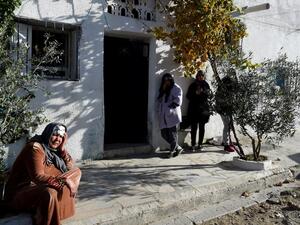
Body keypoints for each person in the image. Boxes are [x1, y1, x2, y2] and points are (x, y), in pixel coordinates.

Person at [4, 122, 81, 225]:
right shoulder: (35, 148)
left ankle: (57, 200)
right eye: (55, 134)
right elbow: (38, 176)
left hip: (42, 185)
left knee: (77, 172)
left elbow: (70, 167)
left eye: (61, 137)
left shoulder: (54, 150)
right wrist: (64, 180)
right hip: (23, 190)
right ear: (47, 133)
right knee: (50, 193)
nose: (58, 139)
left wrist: (63, 150)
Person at [157, 73, 183, 158]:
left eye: (168, 80)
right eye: (165, 80)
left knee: (172, 134)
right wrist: (162, 90)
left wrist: (170, 107)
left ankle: (171, 151)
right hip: (163, 115)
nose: (167, 82)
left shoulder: (176, 88)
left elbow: (178, 100)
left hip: (172, 115)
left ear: (171, 80)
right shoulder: (163, 88)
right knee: (163, 134)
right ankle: (178, 148)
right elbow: (159, 100)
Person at [186, 70, 211, 151]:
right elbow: (188, 96)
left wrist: (202, 92)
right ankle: (193, 144)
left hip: (203, 109)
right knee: (194, 128)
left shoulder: (206, 85)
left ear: (203, 77)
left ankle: (200, 144)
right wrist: (195, 93)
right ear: (196, 76)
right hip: (193, 109)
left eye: (202, 75)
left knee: (202, 127)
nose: (200, 77)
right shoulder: (193, 85)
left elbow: (209, 95)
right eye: (199, 75)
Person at [215, 69, 238, 152]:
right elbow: (218, 97)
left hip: (228, 108)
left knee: (230, 125)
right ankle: (226, 144)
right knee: (227, 125)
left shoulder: (231, 83)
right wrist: (225, 103)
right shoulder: (224, 84)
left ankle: (229, 142)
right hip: (223, 109)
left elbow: (235, 91)